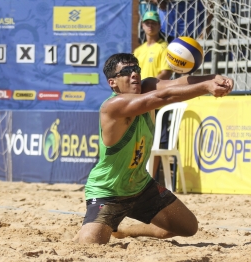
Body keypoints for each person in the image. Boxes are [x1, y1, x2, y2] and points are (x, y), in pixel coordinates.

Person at [74, 53, 233, 244]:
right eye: (125, 71)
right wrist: (206, 87)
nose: (133, 74)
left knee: (188, 227)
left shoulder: (146, 87)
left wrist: (213, 78)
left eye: (136, 69)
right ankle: (96, 226)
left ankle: (127, 231)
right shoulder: (113, 106)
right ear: (112, 83)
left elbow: (179, 83)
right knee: (89, 243)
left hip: (140, 186)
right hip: (108, 191)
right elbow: (163, 96)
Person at [134, 11, 173, 181]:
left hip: (155, 102)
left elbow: (166, 73)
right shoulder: (138, 50)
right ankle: (140, 176)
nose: (150, 25)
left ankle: (152, 179)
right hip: (140, 102)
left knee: (156, 142)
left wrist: (149, 86)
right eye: (147, 22)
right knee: (139, 141)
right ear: (142, 25)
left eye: (154, 22)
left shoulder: (164, 47)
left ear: (159, 26)